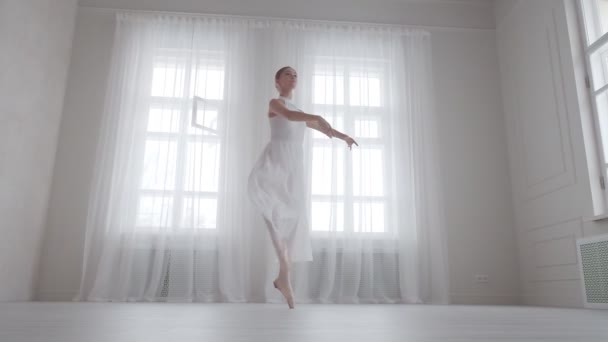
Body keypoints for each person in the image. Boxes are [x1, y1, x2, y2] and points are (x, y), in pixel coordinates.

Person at [247, 66, 358, 309]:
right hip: (274, 165)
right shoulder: (275, 103)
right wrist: (316, 116)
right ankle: (284, 276)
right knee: (275, 216)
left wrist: (344, 137)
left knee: (294, 221)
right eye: (288, 74)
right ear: (277, 81)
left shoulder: (299, 111)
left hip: (294, 168)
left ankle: (283, 277)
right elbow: (289, 117)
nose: (293, 77)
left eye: (296, 74)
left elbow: (321, 127)